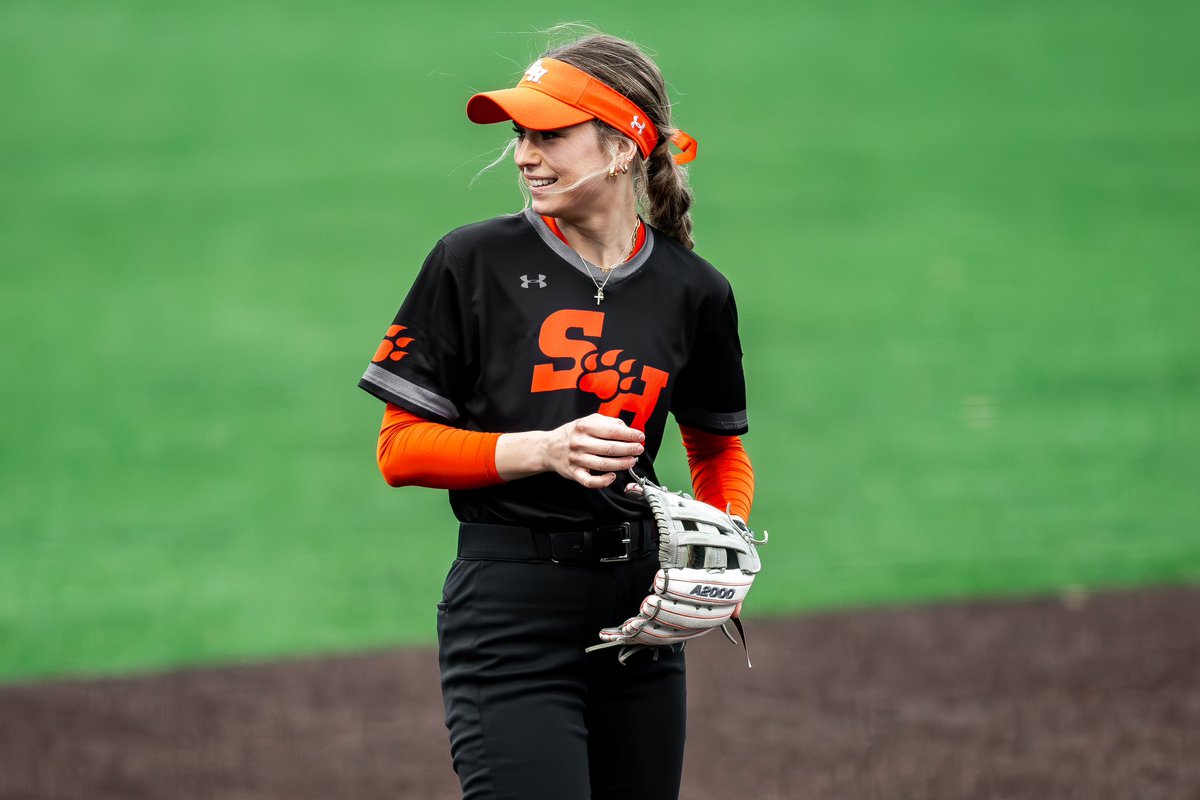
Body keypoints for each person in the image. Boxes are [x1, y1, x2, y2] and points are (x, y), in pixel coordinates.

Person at [358, 31, 755, 800]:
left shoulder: (694, 290)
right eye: (520, 136)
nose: (525, 156)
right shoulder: (473, 262)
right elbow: (399, 450)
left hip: (642, 617)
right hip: (510, 614)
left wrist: (725, 537)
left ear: (622, 147)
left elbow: (717, 451)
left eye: (549, 135)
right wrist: (542, 449)